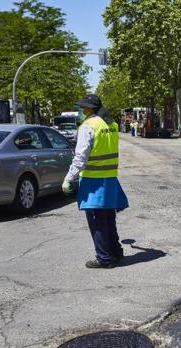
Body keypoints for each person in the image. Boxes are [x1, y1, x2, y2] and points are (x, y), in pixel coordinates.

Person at [62, 94, 129, 269]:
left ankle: (104, 258)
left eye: (82, 108)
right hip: (110, 179)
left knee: (97, 221)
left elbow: (80, 157)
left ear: (88, 109)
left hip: (94, 181)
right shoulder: (112, 124)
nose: (81, 110)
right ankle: (116, 252)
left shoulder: (88, 126)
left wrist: (69, 178)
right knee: (108, 219)